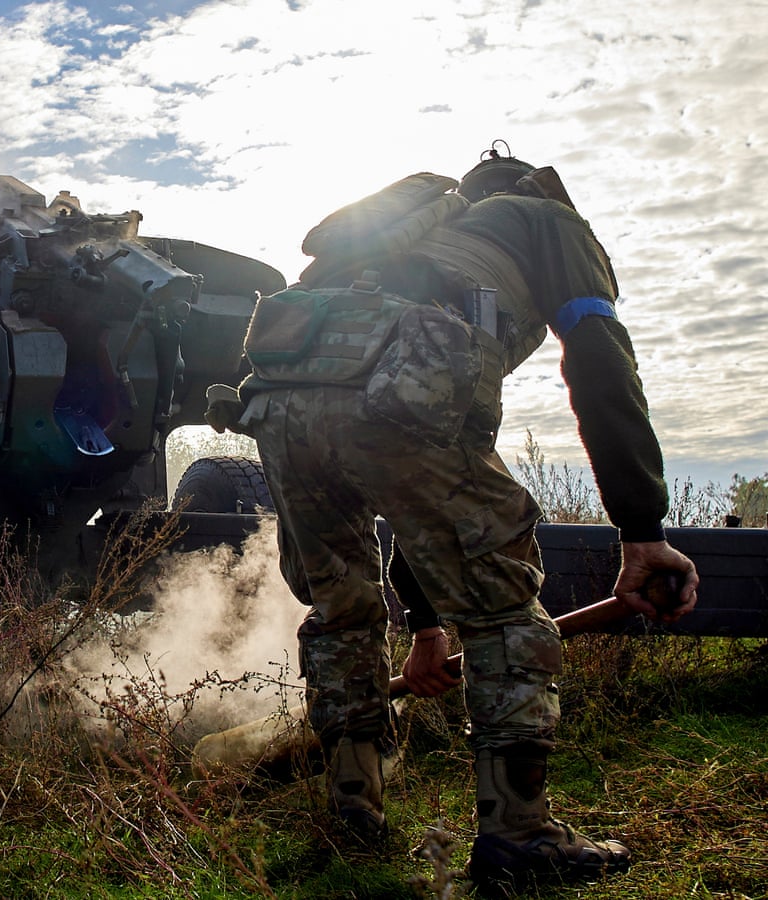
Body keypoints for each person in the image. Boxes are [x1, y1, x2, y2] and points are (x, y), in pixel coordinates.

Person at [209, 147, 700, 891]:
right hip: (399, 395)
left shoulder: (402, 240)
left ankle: (353, 813)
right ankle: (520, 836)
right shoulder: (546, 221)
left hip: (276, 405)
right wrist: (643, 531)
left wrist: (428, 628)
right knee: (505, 616)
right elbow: (599, 357)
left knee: (342, 612)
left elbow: (420, 495)